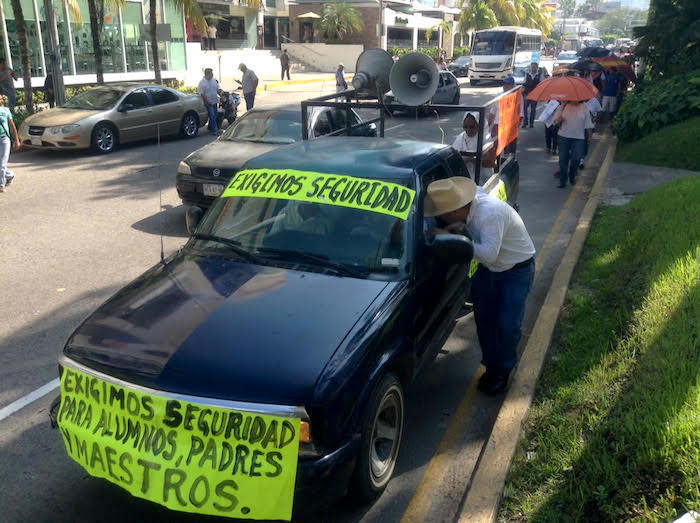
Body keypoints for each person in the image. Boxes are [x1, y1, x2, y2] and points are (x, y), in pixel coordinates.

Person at [425, 177, 535, 394]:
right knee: (485, 322)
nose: (440, 218)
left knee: (507, 326)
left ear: (456, 211)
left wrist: (451, 237)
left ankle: (502, 372)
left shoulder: (490, 214)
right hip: (490, 271)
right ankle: (491, 366)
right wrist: (461, 228)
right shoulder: (469, 204)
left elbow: (488, 255)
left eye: (443, 214)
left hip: (515, 271)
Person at [553, 101, 592, 188]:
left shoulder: (584, 107)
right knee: (563, 159)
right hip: (563, 136)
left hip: (579, 137)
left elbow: (588, 123)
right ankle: (563, 181)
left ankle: (572, 174)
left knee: (577, 158)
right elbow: (555, 121)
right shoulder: (564, 105)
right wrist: (559, 120)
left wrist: (589, 137)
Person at [451, 112, 496, 179]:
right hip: (464, 178)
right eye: (465, 126)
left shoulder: (486, 139)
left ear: (479, 125)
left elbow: (492, 163)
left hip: (482, 179)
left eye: (472, 127)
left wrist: (471, 159)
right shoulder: (461, 137)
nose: (468, 130)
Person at [488, 76, 523, 155]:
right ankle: (495, 165)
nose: (505, 86)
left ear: (513, 85)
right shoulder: (498, 96)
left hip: (510, 127)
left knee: (509, 152)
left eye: (508, 84)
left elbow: (520, 115)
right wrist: (487, 126)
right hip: (498, 125)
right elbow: (492, 112)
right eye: (504, 84)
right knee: (494, 149)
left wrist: (515, 128)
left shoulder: (518, 97)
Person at [0, 94, 20, 193]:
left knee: (2, 163)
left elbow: (12, 126)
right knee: (1, 164)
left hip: (4, 139)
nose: (0, 100)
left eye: (1, 98)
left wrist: (17, 140)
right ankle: (10, 175)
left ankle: (1, 185)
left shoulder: (5, 110)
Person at [522, 62, 544, 128]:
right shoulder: (527, 74)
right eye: (532, 67)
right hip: (527, 94)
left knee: (533, 109)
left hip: (535, 95)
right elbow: (523, 83)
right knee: (524, 108)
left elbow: (541, 85)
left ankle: (531, 123)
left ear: (537, 67)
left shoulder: (540, 75)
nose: (533, 68)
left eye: (534, 67)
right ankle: (525, 122)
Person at [198, 68, 219, 135]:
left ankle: (211, 127)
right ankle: (215, 130)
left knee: (215, 115)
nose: (212, 74)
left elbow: (217, 89)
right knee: (212, 115)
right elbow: (202, 94)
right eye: (211, 73)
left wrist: (222, 95)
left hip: (214, 101)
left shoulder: (213, 81)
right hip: (208, 102)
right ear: (207, 74)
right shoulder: (202, 83)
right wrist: (206, 101)